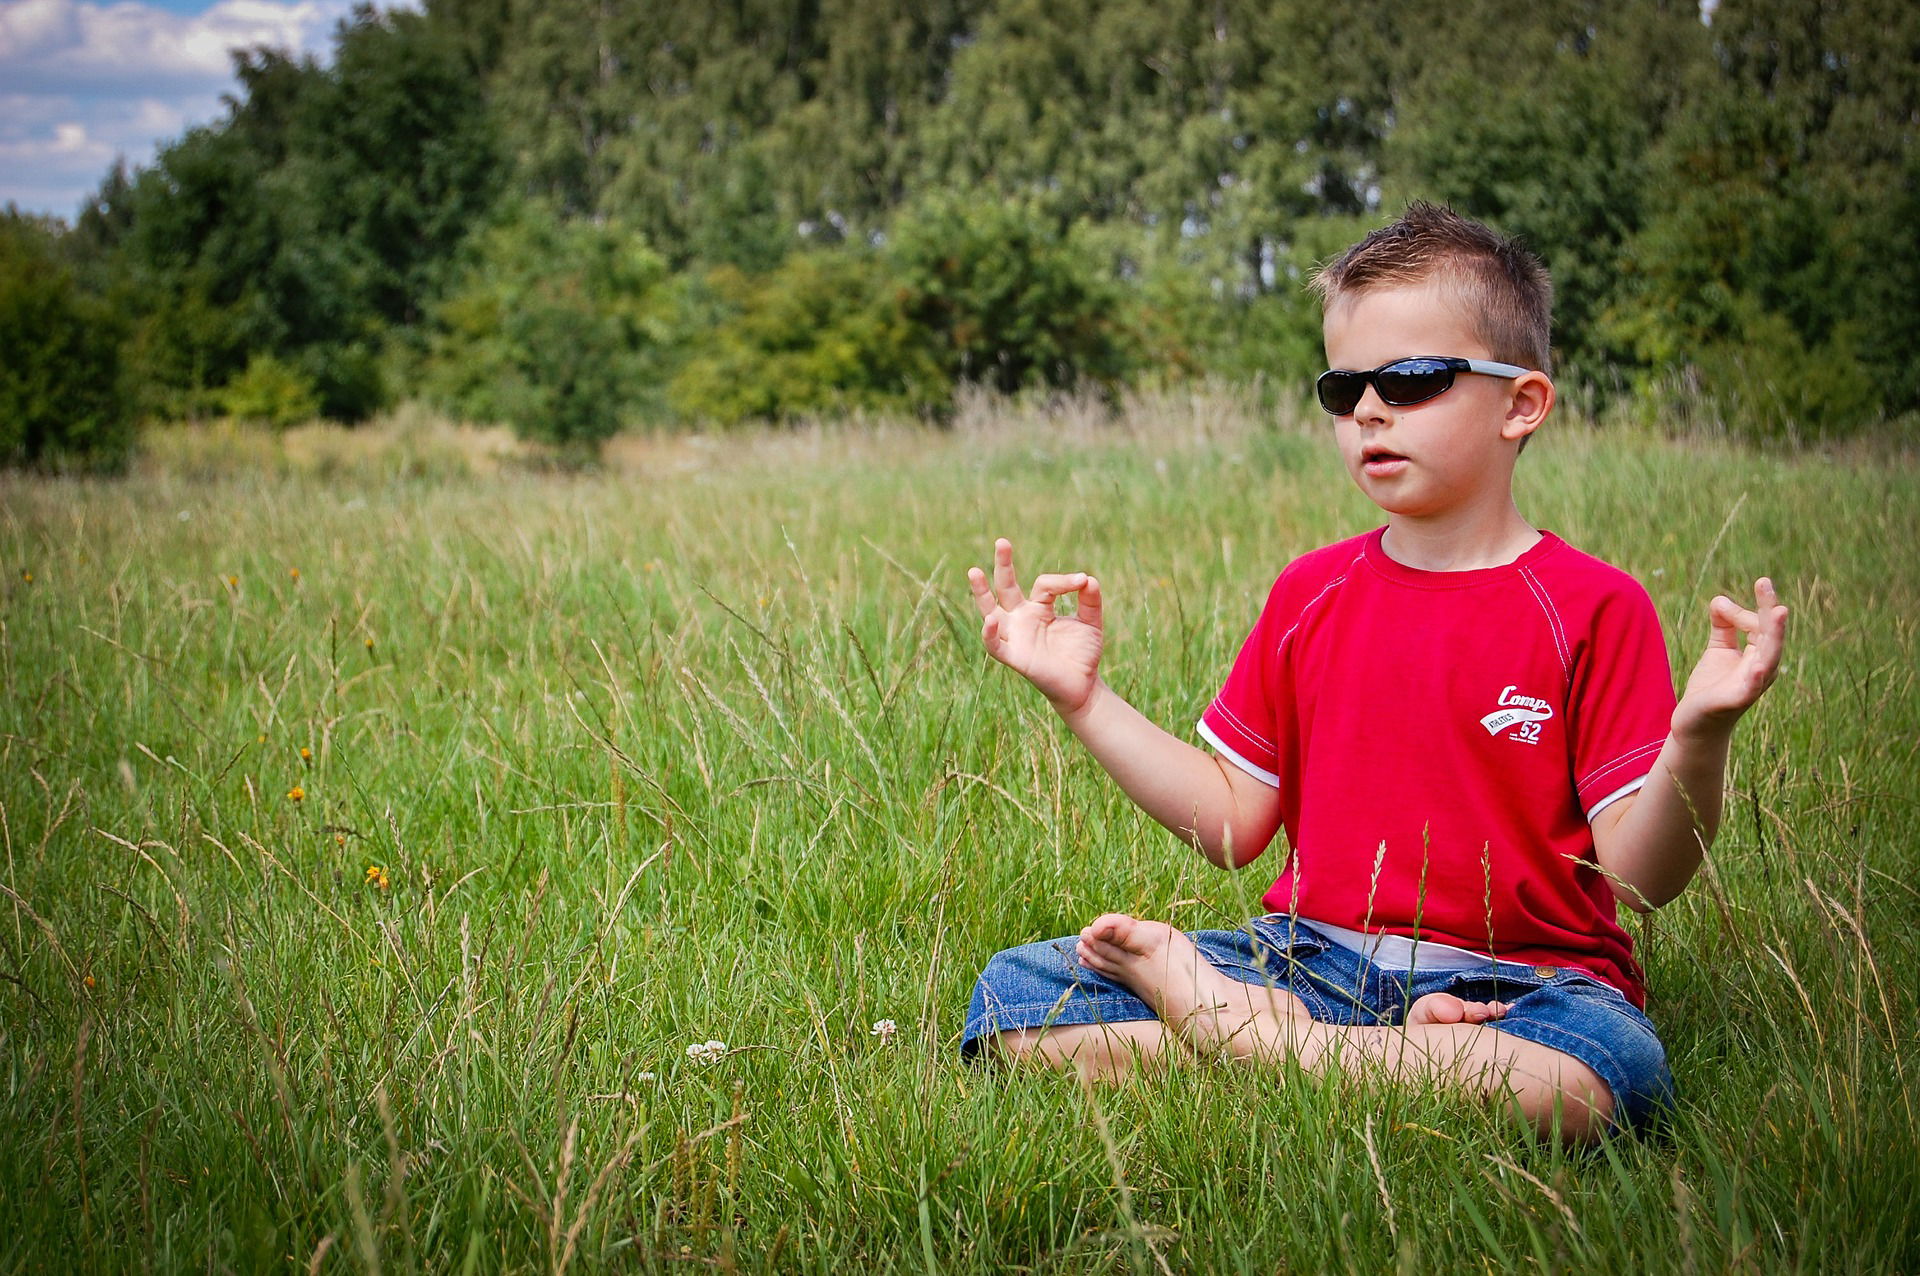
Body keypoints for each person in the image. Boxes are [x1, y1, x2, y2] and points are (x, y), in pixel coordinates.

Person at [959, 202, 1789, 1141]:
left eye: (1413, 378)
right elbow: (1234, 823)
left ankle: (1250, 1043)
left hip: (1526, 986)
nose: (1368, 410)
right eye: (1343, 386)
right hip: (1310, 961)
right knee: (1018, 999)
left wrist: (1700, 735)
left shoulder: (1592, 607)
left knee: (1597, 1082)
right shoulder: (1311, 593)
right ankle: (1331, 1052)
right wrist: (1085, 699)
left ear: (1523, 404)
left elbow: (1640, 880)